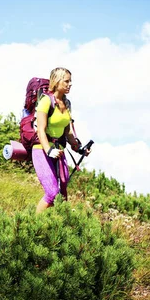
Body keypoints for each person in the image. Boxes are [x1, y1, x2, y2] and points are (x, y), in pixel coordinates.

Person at [33, 67, 89, 213]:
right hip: (41, 150)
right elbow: (40, 129)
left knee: (63, 194)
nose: (70, 84)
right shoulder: (45, 101)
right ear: (57, 82)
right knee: (52, 193)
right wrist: (48, 150)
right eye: (66, 81)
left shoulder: (67, 103)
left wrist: (79, 148)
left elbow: (68, 131)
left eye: (70, 81)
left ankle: (58, 225)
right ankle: (34, 224)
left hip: (59, 150)